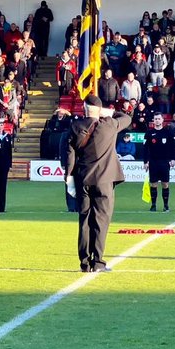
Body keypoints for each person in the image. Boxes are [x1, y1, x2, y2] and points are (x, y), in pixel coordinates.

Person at [66, 94, 132, 273]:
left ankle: (85, 263)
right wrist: (109, 112)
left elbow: (70, 153)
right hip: (104, 179)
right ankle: (98, 262)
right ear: (99, 110)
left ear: (84, 108)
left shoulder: (75, 126)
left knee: (84, 220)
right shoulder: (108, 124)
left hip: (82, 178)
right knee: (101, 221)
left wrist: (69, 176)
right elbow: (126, 118)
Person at [143, 113, 175, 212]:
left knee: (165, 184)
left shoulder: (168, 132)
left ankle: (166, 205)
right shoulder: (149, 133)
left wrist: (173, 159)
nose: (157, 120)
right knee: (153, 184)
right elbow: (145, 149)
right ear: (153, 121)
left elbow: (173, 147)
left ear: (162, 120)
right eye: (155, 119)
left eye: (159, 119)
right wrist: (145, 162)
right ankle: (153, 205)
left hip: (165, 161)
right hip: (153, 162)